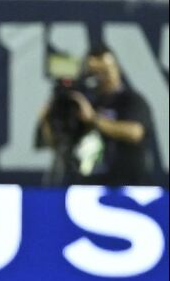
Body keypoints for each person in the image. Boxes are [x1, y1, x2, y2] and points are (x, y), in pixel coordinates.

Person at [38, 43, 157, 186]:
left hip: (126, 186)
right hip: (89, 185)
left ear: (117, 68)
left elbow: (135, 133)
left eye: (105, 70)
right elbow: (56, 143)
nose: (101, 76)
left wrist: (93, 119)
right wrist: (46, 119)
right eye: (94, 72)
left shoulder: (131, 100)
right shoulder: (84, 101)